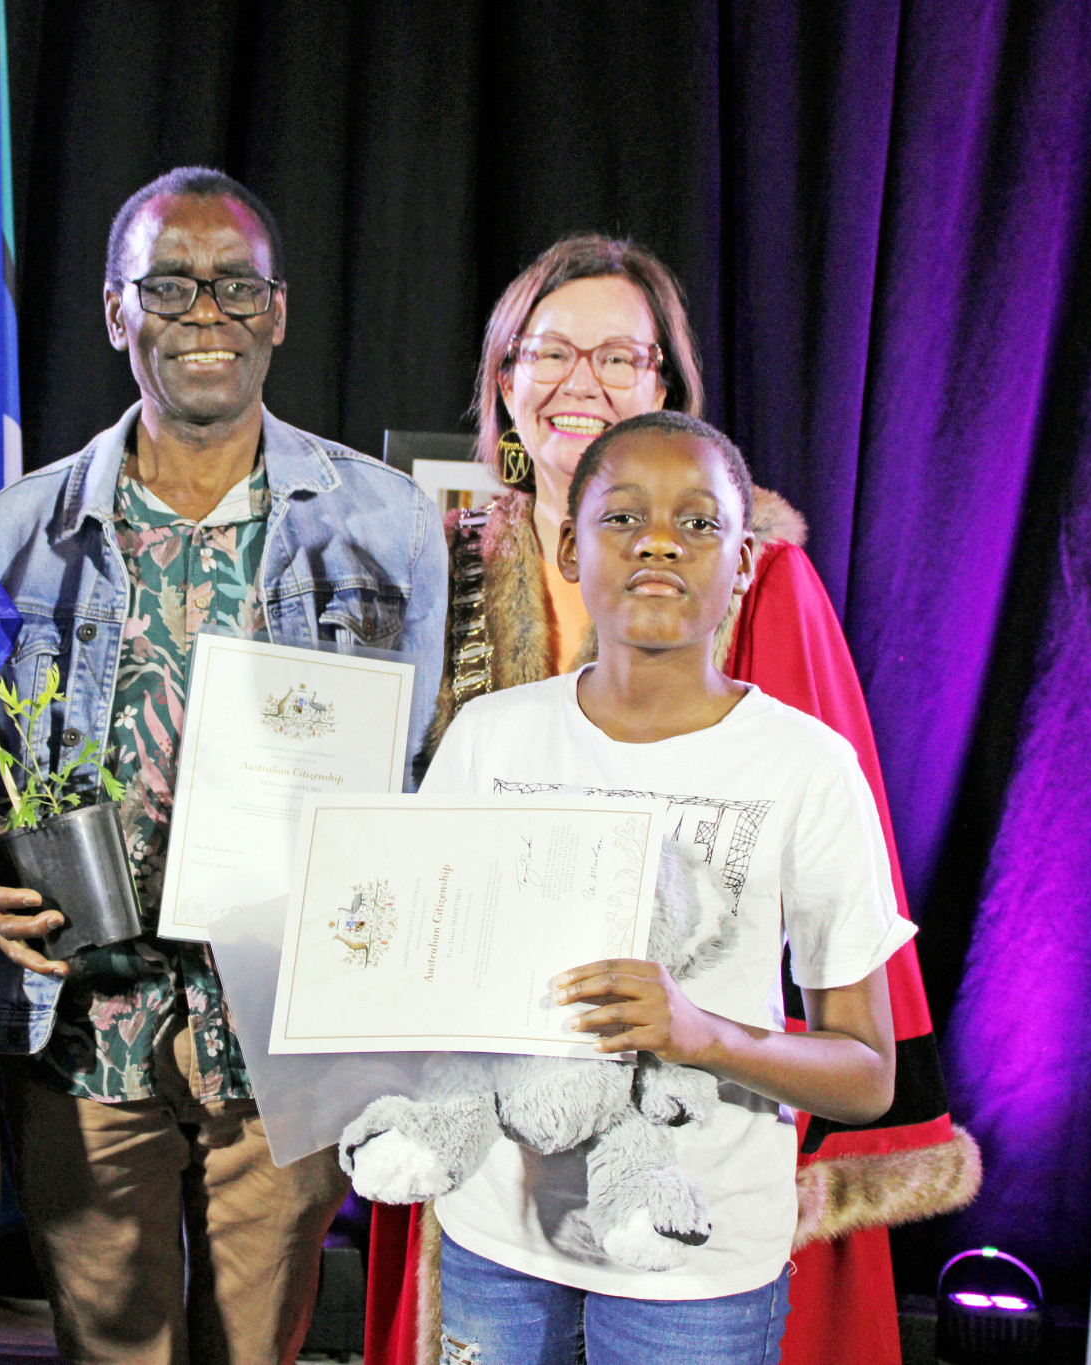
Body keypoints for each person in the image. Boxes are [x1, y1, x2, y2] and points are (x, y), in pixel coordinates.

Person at [364, 235, 977, 1365]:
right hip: (496, 1163)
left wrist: (723, 1049)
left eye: (617, 356)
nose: (579, 382)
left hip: (692, 1162)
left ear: (662, 382)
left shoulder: (755, 575)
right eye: (548, 352)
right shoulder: (432, 561)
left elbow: (832, 912)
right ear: (502, 380)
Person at [0, 167, 448, 1365]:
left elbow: (417, 773)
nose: (203, 313)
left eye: (234, 287)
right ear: (117, 313)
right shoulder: (10, 534)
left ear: (277, 312)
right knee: (109, 1342)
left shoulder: (386, 525)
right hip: (83, 1026)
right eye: (167, 285)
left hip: (280, 1024)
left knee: (256, 1347)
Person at [420, 411, 910, 1363]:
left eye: (698, 522)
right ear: (569, 544)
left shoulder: (806, 767)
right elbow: (423, 968)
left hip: (696, 1260)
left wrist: (703, 1034)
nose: (658, 541)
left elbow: (866, 1074)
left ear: (746, 560)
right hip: (497, 1238)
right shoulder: (492, 737)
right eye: (622, 517)